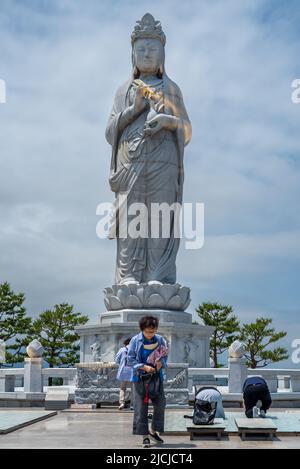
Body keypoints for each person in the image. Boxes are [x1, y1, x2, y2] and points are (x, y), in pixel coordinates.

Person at [105, 13, 192, 285]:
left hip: (164, 162)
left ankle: (158, 274)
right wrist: (134, 110)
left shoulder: (171, 89)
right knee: (132, 218)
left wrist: (168, 120)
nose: (146, 54)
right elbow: (109, 134)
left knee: (159, 217)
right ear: (132, 54)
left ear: (162, 53)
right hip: (131, 162)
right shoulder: (124, 91)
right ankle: (128, 275)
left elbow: (186, 131)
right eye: (140, 48)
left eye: (152, 48)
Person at [127, 315, 168, 448]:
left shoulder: (160, 339)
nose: (150, 334)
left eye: (153, 331)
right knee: (141, 407)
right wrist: (144, 367)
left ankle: (153, 430)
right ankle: (144, 436)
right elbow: (130, 359)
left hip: (156, 377)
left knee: (160, 403)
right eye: (147, 331)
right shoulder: (135, 340)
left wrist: (161, 363)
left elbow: (164, 356)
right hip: (140, 378)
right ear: (142, 329)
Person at [115, 338, 134, 410]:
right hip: (132, 371)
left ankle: (122, 403)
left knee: (123, 388)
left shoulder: (122, 350)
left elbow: (117, 360)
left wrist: (121, 363)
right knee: (133, 389)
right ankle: (133, 404)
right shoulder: (134, 350)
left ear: (125, 343)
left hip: (123, 371)